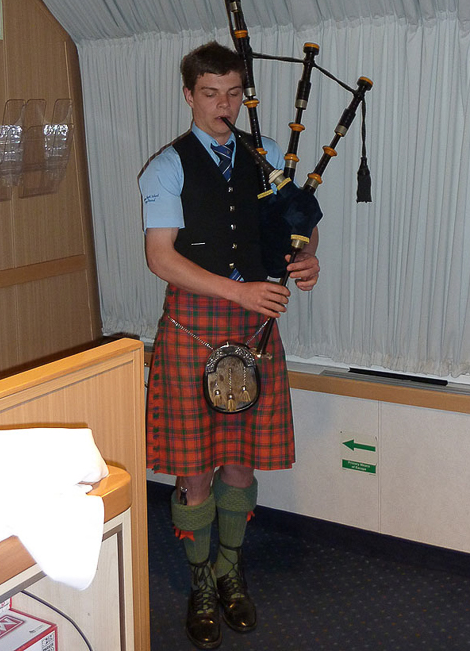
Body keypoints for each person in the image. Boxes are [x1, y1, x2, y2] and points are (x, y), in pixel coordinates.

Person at [139, 41, 320, 650]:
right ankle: (199, 583)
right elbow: (160, 257)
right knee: (194, 470)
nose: (224, 105)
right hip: (194, 325)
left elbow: (297, 217)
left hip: (255, 331)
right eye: (211, 94)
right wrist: (237, 294)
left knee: (239, 461)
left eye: (234, 94)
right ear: (188, 95)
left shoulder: (264, 155)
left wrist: (306, 256)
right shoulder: (166, 167)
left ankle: (230, 572)